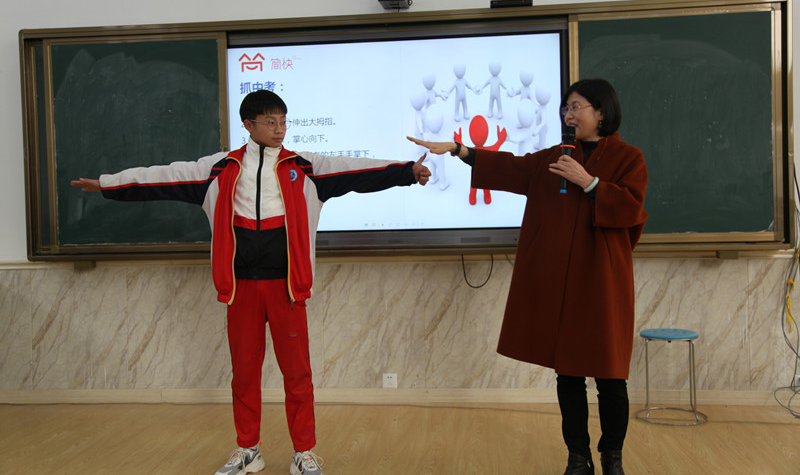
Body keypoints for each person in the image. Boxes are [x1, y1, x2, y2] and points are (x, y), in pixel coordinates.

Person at [72, 89, 431, 475]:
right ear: (248, 125)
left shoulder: (306, 168)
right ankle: (248, 450)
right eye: (270, 122)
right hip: (240, 289)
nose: (279, 129)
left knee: (298, 375)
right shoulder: (218, 169)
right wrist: (107, 184)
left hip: (287, 289)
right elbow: (159, 177)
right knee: (244, 375)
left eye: (283, 122)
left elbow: (357, 170)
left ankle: (303, 453)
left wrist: (407, 172)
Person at [409, 78, 647, 475]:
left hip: (602, 282)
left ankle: (612, 459)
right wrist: (459, 149)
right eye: (566, 108)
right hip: (562, 284)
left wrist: (589, 183)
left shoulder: (628, 158)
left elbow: (632, 210)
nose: (568, 114)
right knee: (568, 374)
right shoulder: (553, 157)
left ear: (601, 112)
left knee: (610, 377)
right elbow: (510, 167)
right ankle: (578, 457)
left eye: (577, 107)